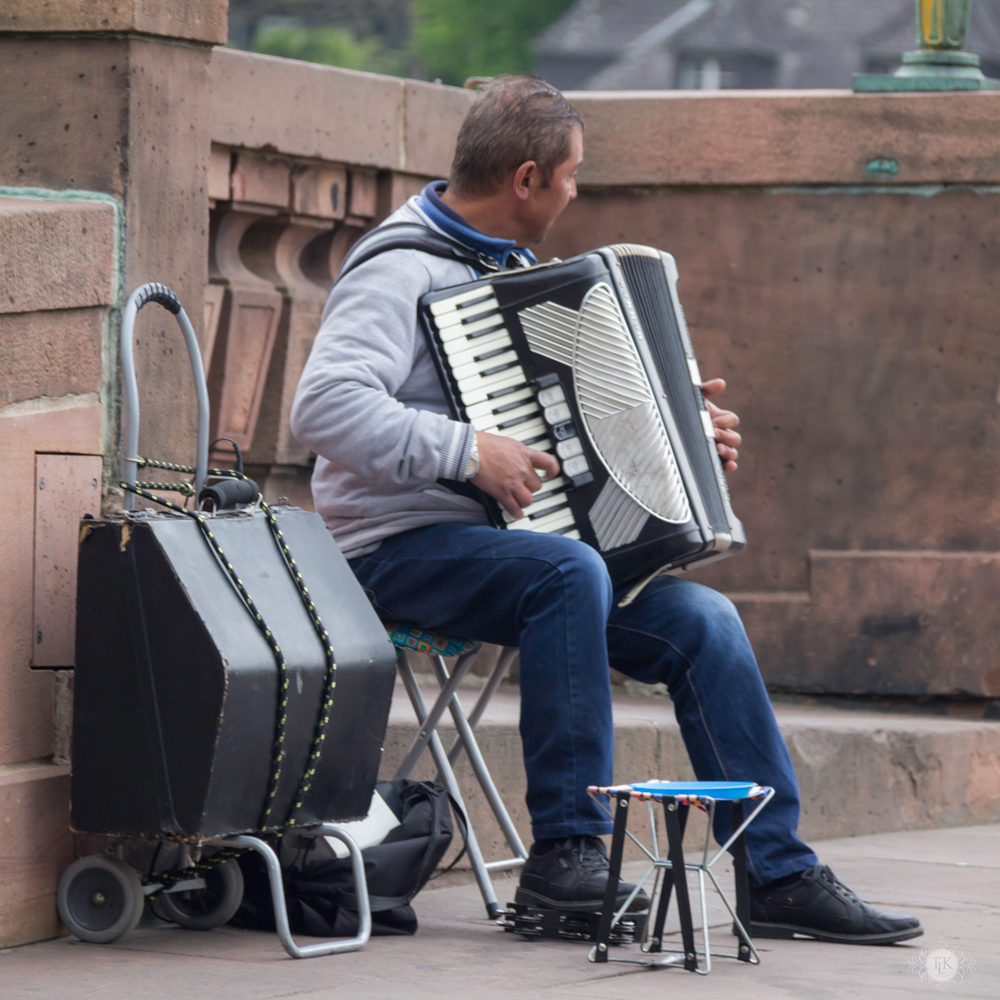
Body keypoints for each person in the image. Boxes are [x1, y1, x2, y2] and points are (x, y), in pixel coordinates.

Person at [291, 75, 921, 945]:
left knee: (704, 621)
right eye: (572, 175)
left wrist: (680, 430)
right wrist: (467, 451)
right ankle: (565, 862)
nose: (576, 190)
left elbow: (575, 421)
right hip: (393, 550)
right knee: (567, 571)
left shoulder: (508, 273)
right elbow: (322, 408)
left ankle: (776, 870)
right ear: (526, 178)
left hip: (518, 554)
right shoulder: (400, 270)